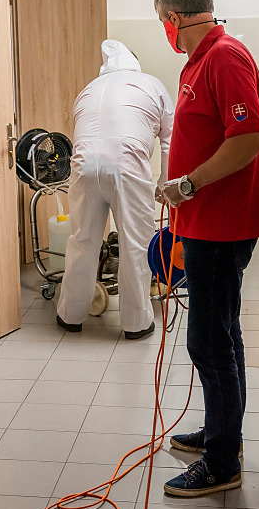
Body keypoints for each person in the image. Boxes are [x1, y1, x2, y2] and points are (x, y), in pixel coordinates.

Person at [154, 0, 259, 497]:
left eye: (164, 22)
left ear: (173, 18)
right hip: (204, 223)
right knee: (224, 332)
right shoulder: (199, 60)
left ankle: (221, 464)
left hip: (222, 228)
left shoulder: (224, 58)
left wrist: (187, 184)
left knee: (207, 340)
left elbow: (251, 137)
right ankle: (224, 434)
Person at [56, 39, 174, 339]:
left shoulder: (88, 89)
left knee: (82, 240)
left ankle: (70, 315)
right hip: (126, 167)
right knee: (136, 244)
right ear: (135, 64)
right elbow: (171, 140)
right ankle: (136, 323)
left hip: (83, 167)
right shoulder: (152, 84)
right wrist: (165, 184)